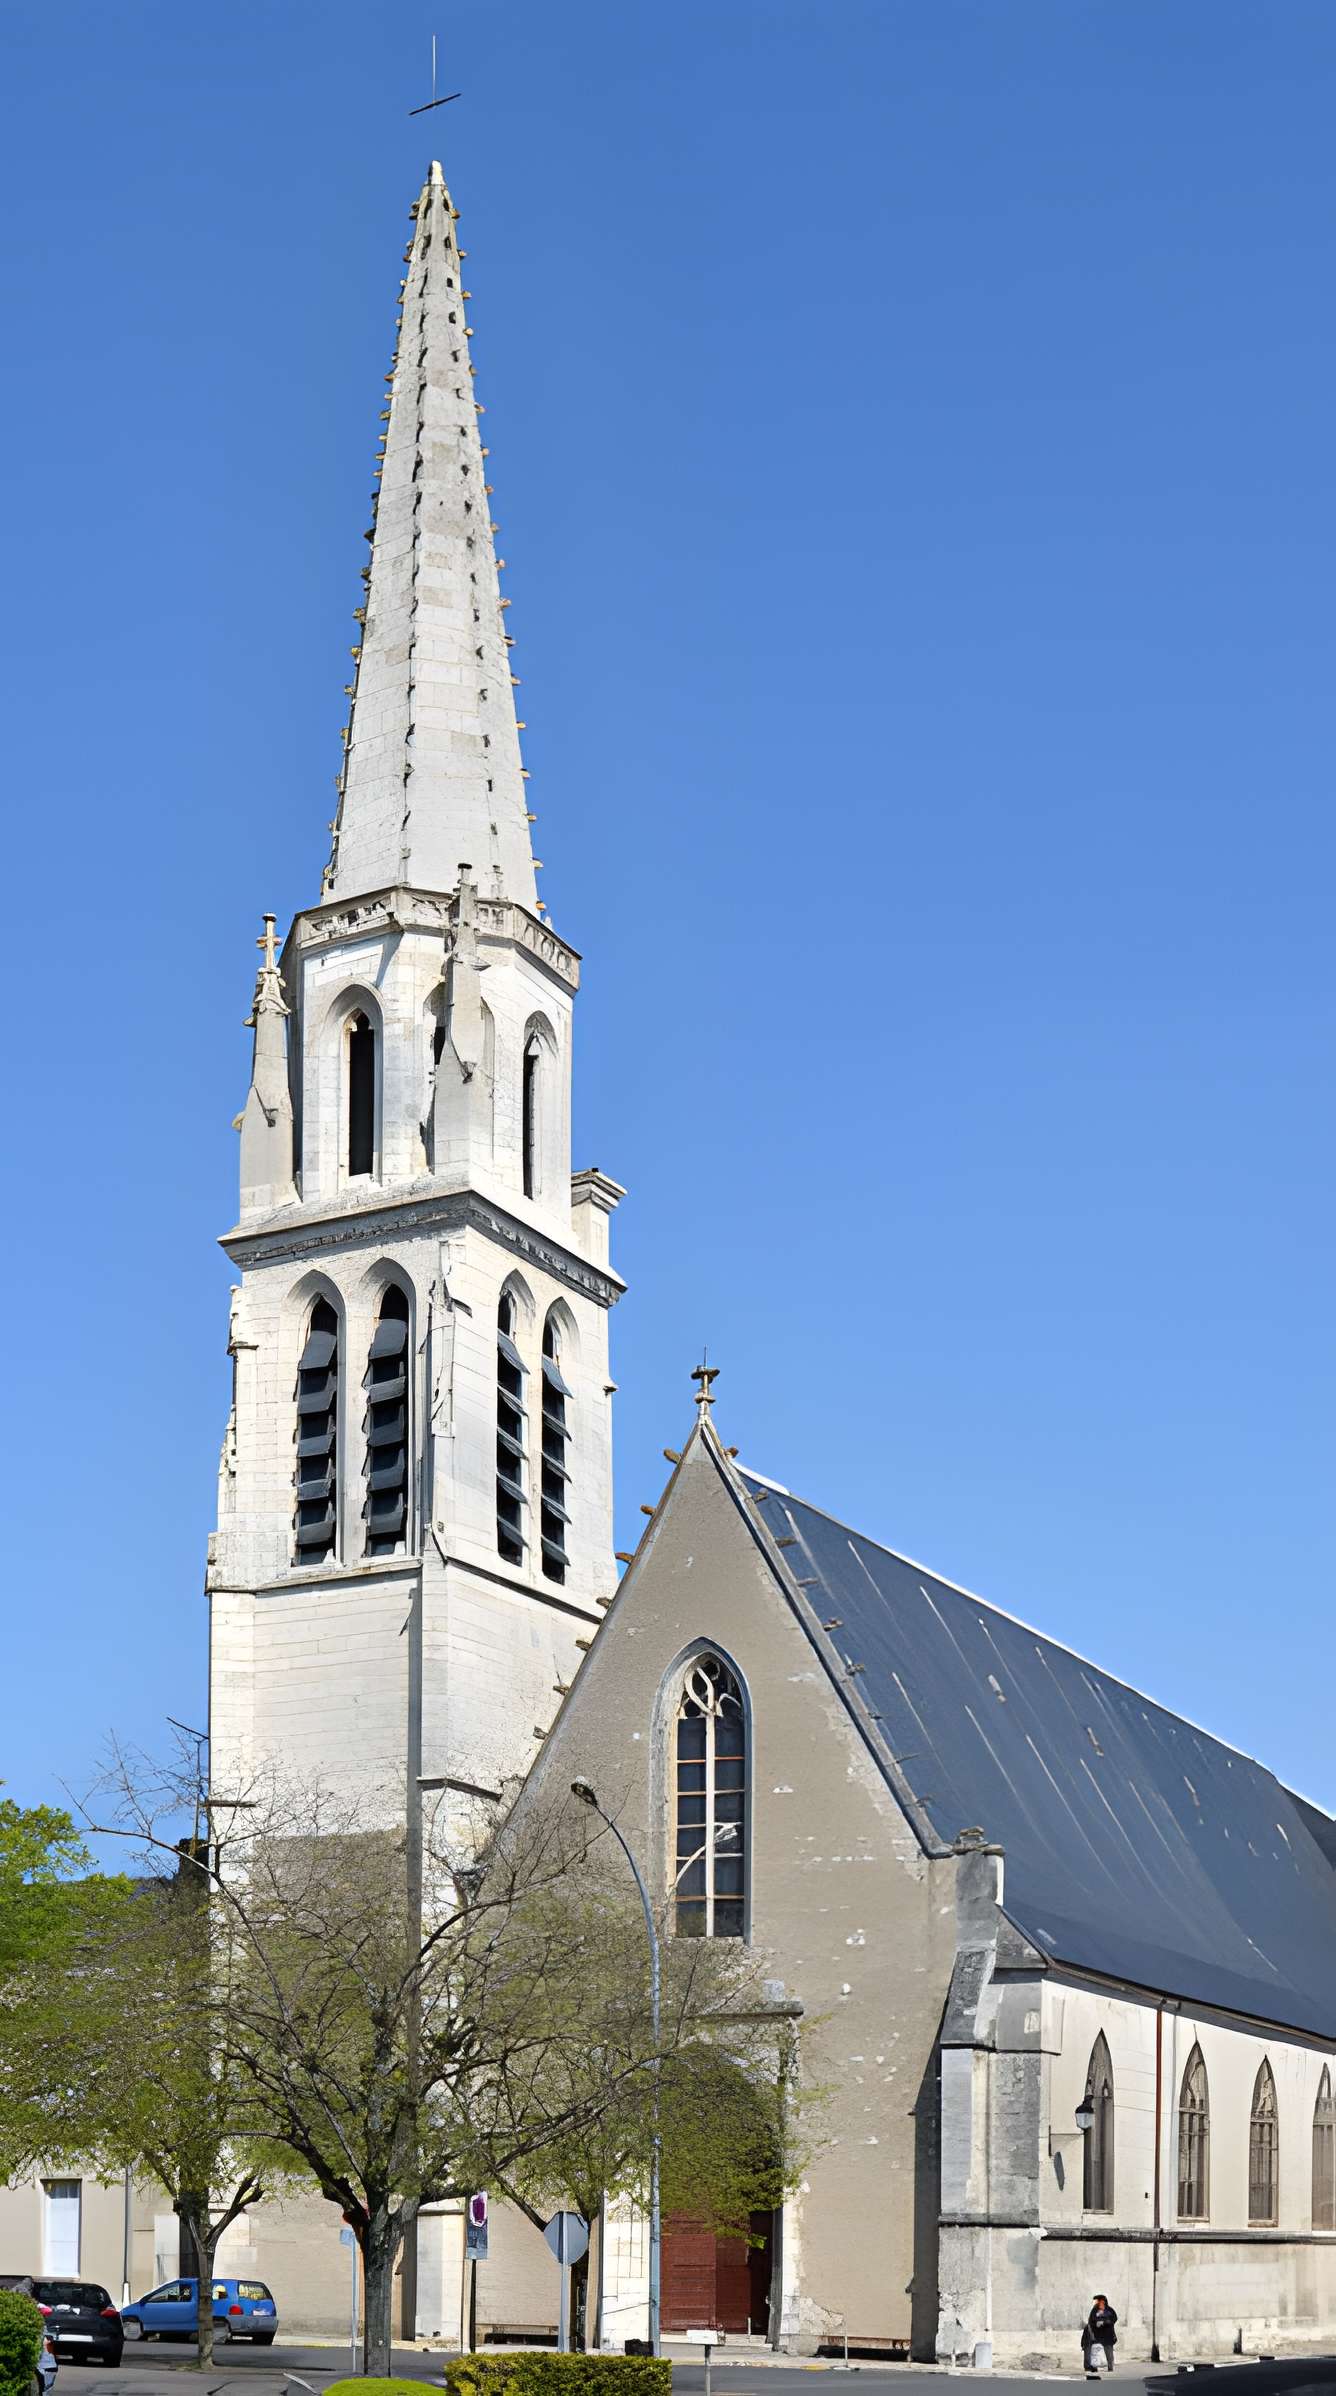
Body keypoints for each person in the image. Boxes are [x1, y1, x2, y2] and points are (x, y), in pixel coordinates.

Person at [1082, 2294, 1118, 2376]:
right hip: (1096, 2334)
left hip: (1107, 2334)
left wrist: (1104, 2322)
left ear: (1104, 2301)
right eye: (1098, 2301)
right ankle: (1093, 2366)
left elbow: (1114, 2319)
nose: (1098, 2303)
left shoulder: (1110, 2310)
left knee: (1108, 2351)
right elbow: (1091, 2320)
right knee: (1094, 2351)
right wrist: (1096, 2324)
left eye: (1100, 2301)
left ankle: (1110, 2366)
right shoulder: (1094, 2310)